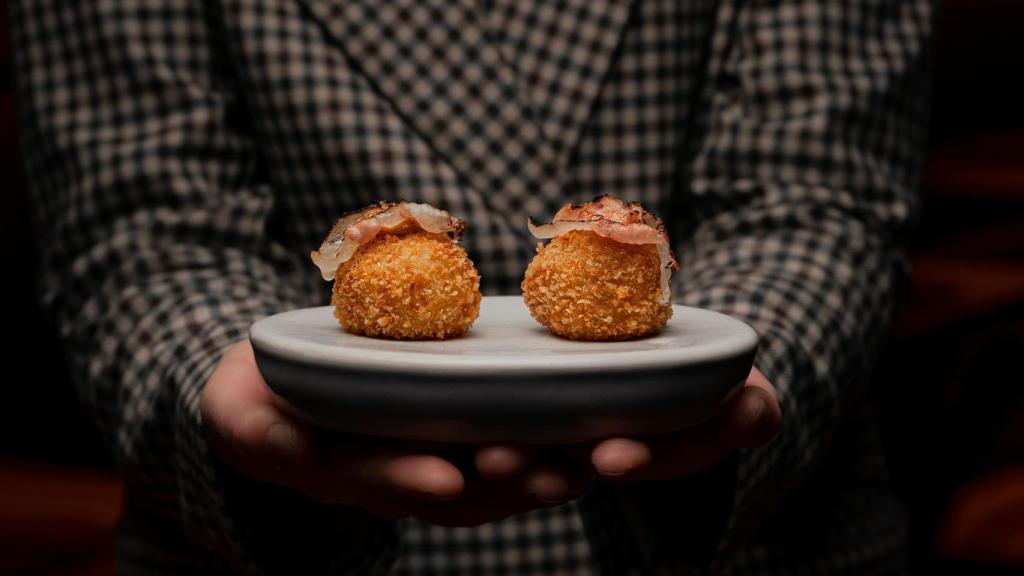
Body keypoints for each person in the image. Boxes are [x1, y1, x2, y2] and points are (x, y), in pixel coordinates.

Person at [12, 0, 935, 574]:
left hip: (753, 538)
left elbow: (816, 194)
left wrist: (714, 369)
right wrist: (221, 372)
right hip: (280, 546)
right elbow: (141, 228)